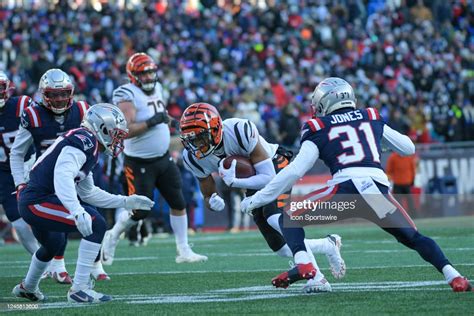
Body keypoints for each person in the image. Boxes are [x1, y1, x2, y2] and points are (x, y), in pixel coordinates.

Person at [241, 77, 472, 292]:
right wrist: (376, 144)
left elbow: (294, 171)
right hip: (376, 195)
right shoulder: (370, 116)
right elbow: (408, 148)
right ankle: (454, 276)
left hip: (346, 194)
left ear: (325, 102)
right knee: (414, 237)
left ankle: (304, 265)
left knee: (289, 217)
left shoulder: (318, 127)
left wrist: (257, 198)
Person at [179, 102, 346, 293]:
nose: (197, 144)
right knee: (281, 249)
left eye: (200, 137)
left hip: (276, 164)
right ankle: (328, 244)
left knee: (273, 216)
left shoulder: (239, 130)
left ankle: (316, 277)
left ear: (216, 129)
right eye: (191, 139)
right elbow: (208, 194)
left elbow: (269, 178)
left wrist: (235, 183)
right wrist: (212, 202)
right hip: (253, 180)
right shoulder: (192, 157)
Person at [12, 103, 154, 303]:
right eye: (116, 134)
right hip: (36, 200)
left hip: (37, 200)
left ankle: (28, 287)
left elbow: (88, 192)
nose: (118, 140)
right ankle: (79, 289)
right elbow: (62, 175)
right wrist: (77, 211)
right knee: (97, 223)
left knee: (54, 243)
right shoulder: (84, 140)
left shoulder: (89, 144)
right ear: (102, 128)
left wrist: (125, 201)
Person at [101, 53, 207, 265]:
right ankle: (112, 236)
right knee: (139, 211)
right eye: (144, 73)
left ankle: (183, 250)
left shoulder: (157, 89)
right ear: (133, 75)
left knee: (178, 202)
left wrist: (169, 120)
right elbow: (124, 130)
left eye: (151, 72)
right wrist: (153, 122)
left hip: (163, 158)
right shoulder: (126, 93)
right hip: (139, 162)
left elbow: (157, 113)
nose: (149, 77)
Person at [10, 68, 108, 282]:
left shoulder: (82, 110)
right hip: (45, 178)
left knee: (94, 213)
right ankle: (58, 266)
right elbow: (17, 153)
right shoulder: (33, 114)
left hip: (78, 172)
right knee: (53, 225)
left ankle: (95, 264)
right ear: (44, 95)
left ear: (71, 92)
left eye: (64, 93)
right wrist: (19, 184)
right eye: (54, 95)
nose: (60, 98)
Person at [0, 71, 38, 255]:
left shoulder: (22, 105)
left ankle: (56, 259)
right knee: (17, 219)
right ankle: (42, 262)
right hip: (5, 172)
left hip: (32, 164)